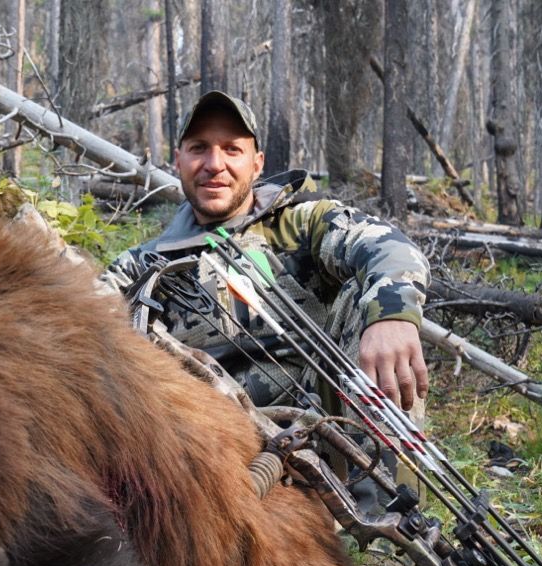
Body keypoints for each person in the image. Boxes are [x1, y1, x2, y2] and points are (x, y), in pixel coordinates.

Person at [101, 91, 432, 414]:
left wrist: (392, 316)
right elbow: (82, 314)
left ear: (257, 164)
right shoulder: (141, 267)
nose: (214, 164)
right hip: (199, 432)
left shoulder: (304, 222)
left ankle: (383, 468)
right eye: (199, 148)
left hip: (322, 417)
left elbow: (388, 246)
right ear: (179, 160)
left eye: (232, 150)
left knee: (370, 300)